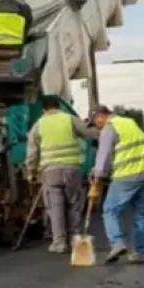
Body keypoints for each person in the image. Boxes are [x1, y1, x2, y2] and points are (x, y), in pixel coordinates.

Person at [25, 95, 98, 253]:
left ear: (44, 109)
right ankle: (75, 240)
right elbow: (89, 134)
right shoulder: (69, 119)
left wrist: (31, 172)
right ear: (58, 106)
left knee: (55, 208)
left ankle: (59, 243)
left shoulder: (39, 125)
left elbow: (32, 153)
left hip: (50, 172)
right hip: (72, 169)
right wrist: (93, 126)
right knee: (74, 205)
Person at [91, 105, 144, 264]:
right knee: (141, 214)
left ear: (100, 116)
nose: (95, 126)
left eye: (94, 122)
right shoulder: (129, 122)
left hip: (126, 176)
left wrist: (98, 176)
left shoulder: (109, 128)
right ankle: (140, 253)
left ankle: (117, 243)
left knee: (109, 210)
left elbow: (104, 155)